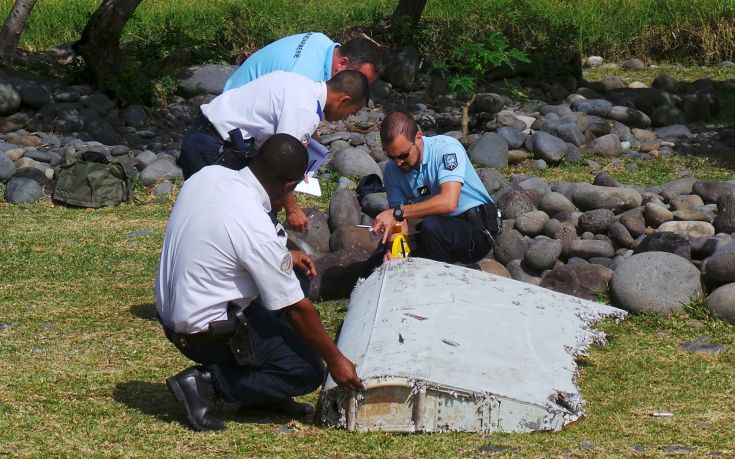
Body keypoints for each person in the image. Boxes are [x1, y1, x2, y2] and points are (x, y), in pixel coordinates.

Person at [157, 134, 363, 432]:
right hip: (204, 333)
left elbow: (225, 239)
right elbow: (297, 309)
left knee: (296, 281)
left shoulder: (209, 175)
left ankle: (263, 395)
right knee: (305, 370)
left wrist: (286, 255)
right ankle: (206, 383)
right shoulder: (253, 222)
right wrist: (336, 360)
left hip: (174, 313)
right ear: (288, 185)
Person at [176, 69, 369, 231]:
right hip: (215, 147)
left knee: (203, 214)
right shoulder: (305, 110)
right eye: (350, 112)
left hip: (203, 133)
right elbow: (282, 164)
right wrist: (292, 209)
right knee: (215, 220)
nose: (345, 118)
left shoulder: (299, 82)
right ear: (344, 99)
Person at [369, 111, 496, 265]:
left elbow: (449, 202)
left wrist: (397, 212)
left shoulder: (447, 149)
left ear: (418, 138)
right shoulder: (392, 170)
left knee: (431, 227)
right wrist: (395, 250)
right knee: (380, 256)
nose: (398, 163)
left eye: (403, 155)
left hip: (475, 232)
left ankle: (444, 279)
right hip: (438, 231)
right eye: (391, 156)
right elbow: (398, 222)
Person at [224, 32, 381, 91]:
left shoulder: (321, 41)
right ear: (342, 63)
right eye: (361, 81)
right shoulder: (306, 78)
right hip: (231, 124)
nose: (361, 91)